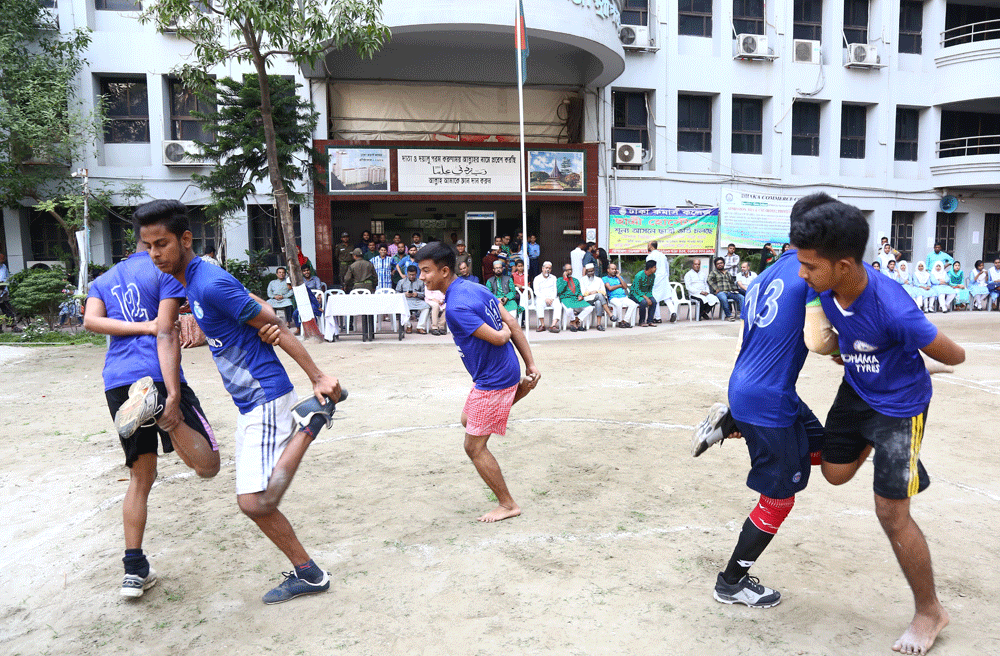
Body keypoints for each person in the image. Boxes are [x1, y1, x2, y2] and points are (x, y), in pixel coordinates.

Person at [136, 199, 344, 605]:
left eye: (162, 243)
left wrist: (317, 376)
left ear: (185, 239)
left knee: (254, 501)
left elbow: (273, 324)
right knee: (256, 500)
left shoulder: (207, 282)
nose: (155, 254)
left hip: (265, 394)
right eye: (148, 246)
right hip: (252, 401)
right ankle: (309, 572)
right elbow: (254, 310)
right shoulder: (192, 283)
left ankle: (312, 421)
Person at [792, 192, 963, 656]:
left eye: (809, 265)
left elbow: (956, 355)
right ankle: (899, 464)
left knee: (891, 513)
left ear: (844, 265)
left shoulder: (895, 309)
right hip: (858, 391)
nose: (802, 274)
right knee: (833, 473)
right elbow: (822, 334)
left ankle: (930, 611)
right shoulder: (824, 284)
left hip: (900, 407)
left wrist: (912, 350)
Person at [84, 231, 239, 599]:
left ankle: (133, 569)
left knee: (141, 478)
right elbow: (166, 331)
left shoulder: (103, 281)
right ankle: (164, 415)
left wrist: (139, 327)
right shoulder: (164, 271)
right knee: (208, 465)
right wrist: (171, 393)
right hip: (156, 373)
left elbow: (92, 322)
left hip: (117, 381)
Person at [691, 226, 827, 610]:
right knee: (779, 499)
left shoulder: (764, 275)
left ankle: (732, 419)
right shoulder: (811, 272)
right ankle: (731, 583)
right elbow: (818, 341)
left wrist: (742, 400)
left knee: (825, 452)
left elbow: (742, 341)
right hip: (770, 400)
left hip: (756, 389)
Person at [417, 242, 540, 522]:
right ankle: (516, 390)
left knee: (473, 447)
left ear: (445, 271)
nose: (422, 277)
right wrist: (530, 363)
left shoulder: (457, 307)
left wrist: (504, 328)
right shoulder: (478, 287)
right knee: (466, 419)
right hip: (501, 371)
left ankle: (508, 505)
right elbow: (513, 324)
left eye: (426, 271)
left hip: (494, 379)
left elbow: (501, 335)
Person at [344, 248, 377, 341]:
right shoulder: (369, 264)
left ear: (354, 256)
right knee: (369, 309)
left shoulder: (352, 265)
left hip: (357, 288)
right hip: (369, 287)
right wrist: (374, 286)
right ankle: (371, 333)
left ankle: (353, 327)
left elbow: (347, 278)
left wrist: (348, 285)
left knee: (356, 308)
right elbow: (375, 277)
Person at [646, 241, 679, 323]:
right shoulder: (663, 256)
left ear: (651, 246)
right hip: (664, 279)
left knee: (655, 299)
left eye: (648, 245)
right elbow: (667, 268)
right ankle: (673, 312)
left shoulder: (650, 257)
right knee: (667, 297)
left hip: (655, 279)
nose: (647, 247)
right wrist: (666, 278)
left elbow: (649, 270)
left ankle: (658, 318)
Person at [557, 263, 593, 332]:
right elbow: (560, 291)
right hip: (566, 299)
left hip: (576, 299)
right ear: (564, 271)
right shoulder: (560, 280)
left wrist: (580, 296)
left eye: (570, 269)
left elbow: (579, 291)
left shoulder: (576, 280)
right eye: (568, 270)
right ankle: (575, 323)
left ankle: (575, 321)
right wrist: (565, 279)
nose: (570, 271)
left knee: (590, 308)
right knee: (569, 310)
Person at [707, 256, 744, 322]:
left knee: (741, 297)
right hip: (720, 292)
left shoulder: (728, 273)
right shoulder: (714, 272)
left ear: (724, 264)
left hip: (730, 292)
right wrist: (716, 288)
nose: (720, 265)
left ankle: (743, 315)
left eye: (721, 263)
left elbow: (732, 282)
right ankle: (728, 315)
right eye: (718, 264)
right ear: (716, 265)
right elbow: (709, 280)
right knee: (724, 298)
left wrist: (735, 289)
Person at [396, 265, 429, 334]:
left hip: (417, 300)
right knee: (401, 307)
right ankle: (408, 325)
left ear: (416, 274)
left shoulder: (420, 282)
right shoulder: (401, 282)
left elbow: (425, 294)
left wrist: (417, 294)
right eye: (410, 275)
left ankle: (420, 326)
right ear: (407, 273)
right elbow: (396, 293)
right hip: (406, 301)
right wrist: (404, 294)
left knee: (426, 307)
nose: (411, 276)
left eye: (413, 275)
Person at [603, 262, 637, 327]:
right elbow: (610, 288)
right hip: (613, 298)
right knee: (619, 305)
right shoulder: (605, 278)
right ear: (608, 270)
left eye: (615, 269)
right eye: (612, 269)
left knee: (633, 304)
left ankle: (625, 321)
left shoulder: (619, 277)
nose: (614, 270)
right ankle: (620, 321)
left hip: (623, 297)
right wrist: (619, 285)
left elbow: (625, 287)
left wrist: (619, 276)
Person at [580, 262, 612, 331]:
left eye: (592, 271)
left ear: (594, 271)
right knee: (599, 296)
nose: (591, 273)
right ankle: (610, 314)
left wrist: (596, 291)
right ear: (586, 272)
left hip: (598, 299)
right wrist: (591, 293)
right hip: (587, 300)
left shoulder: (599, 279)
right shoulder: (582, 280)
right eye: (589, 271)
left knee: (598, 301)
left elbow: (604, 292)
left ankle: (599, 324)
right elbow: (583, 293)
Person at [531, 261, 561, 332]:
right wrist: (545, 299)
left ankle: (553, 326)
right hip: (542, 298)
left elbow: (555, 290)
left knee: (558, 305)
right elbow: (536, 291)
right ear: (542, 268)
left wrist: (552, 298)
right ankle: (542, 325)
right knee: (539, 303)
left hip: (552, 298)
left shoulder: (554, 278)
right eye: (546, 268)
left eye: (549, 268)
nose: (548, 270)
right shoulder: (537, 278)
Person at [267, 267, 296, 333]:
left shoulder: (288, 282)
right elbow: (269, 293)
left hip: (284, 299)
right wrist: (274, 297)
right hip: (274, 299)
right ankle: (273, 322)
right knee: (268, 303)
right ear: (277, 274)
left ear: (285, 274)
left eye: (283, 273)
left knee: (289, 304)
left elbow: (291, 291)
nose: (281, 274)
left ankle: (288, 322)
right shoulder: (272, 282)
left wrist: (284, 296)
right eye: (280, 272)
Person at [629, 260, 657, 327]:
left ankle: (650, 321)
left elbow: (650, 288)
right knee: (643, 302)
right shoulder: (639, 275)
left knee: (654, 302)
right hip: (635, 294)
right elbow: (636, 289)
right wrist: (646, 298)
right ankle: (641, 321)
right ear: (650, 268)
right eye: (654, 267)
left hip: (646, 294)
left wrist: (649, 297)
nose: (656, 269)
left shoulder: (653, 276)